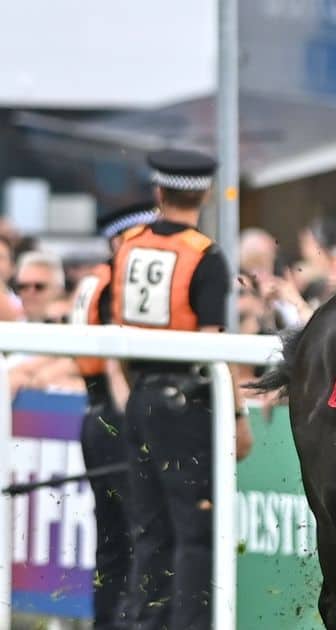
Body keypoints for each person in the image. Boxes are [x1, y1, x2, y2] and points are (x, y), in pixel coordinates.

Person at [110, 150, 253, 630]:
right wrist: (237, 417)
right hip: (185, 405)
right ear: (206, 193)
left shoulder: (128, 244)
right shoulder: (204, 254)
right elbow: (213, 345)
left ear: (158, 192)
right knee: (196, 532)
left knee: (149, 530)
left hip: (140, 396)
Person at [67, 200, 159, 629]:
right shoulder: (119, 281)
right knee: (140, 536)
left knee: (111, 541)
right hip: (118, 417)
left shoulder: (93, 280)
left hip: (94, 416)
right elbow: (115, 359)